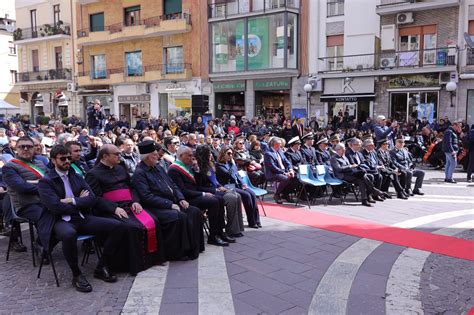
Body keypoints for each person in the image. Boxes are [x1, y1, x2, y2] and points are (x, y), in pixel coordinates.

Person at [38, 145, 126, 292]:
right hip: (59, 220)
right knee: (68, 234)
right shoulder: (46, 182)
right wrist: (79, 201)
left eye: (68, 158)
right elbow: (55, 207)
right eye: (62, 158)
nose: (67, 161)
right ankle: (76, 274)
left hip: (81, 217)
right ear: (53, 160)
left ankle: (102, 266)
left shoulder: (76, 176)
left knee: (118, 226)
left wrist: (71, 201)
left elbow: (91, 198)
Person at [86, 144, 165, 275]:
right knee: (131, 228)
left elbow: (132, 187)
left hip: (129, 204)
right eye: (116, 154)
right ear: (105, 156)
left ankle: (151, 260)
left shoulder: (121, 168)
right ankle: (134, 264)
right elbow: (95, 198)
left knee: (153, 221)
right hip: (110, 210)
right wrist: (113, 208)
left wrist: (135, 201)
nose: (119, 156)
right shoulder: (93, 174)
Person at [132, 141, 203, 260]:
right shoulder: (139, 173)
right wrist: (169, 204)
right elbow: (147, 197)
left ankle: (195, 247)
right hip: (156, 207)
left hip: (172, 202)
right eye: (155, 154)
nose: (158, 156)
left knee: (194, 211)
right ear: (148, 157)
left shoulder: (158, 167)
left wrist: (180, 198)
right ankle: (178, 253)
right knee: (178, 216)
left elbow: (173, 185)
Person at [168, 146, 232, 246]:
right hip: (187, 199)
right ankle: (213, 236)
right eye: (189, 156)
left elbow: (196, 184)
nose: (191, 157)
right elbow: (183, 191)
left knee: (220, 199)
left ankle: (220, 232)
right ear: (181, 156)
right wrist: (203, 194)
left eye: (191, 155)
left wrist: (197, 171)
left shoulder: (187, 166)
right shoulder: (174, 169)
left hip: (195, 195)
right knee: (214, 201)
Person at [2, 136, 56, 254]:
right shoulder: (9, 167)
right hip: (26, 205)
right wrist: (43, 185)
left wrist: (37, 184)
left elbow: (52, 181)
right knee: (48, 214)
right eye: (22, 147)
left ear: (34, 148)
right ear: (16, 149)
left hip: (45, 201)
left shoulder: (40, 163)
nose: (26, 149)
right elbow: (22, 187)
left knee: (65, 212)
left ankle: (41, 243)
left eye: (29, 146)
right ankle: (44, 247)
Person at [195, 145, 245, 238]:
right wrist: (215, 189)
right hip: (210, 192)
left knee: (237, 195)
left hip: (217, 189)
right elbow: (199, 186)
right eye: (208, 153)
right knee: (232, 198)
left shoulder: (210, 165)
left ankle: (237, 228)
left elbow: (215, 181)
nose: (210, 155)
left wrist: (220, 186)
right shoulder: (198, 168)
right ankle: (231, 229)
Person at [215, 145, 262, 230]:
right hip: (227, 186)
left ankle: (257, 220)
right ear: (223, 154)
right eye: (228, 153)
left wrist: (243, 183)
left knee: (252, 194)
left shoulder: (231, 164)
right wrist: (233, 164)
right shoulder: (219, 165)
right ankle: (252, 221)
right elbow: (229, 174)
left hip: (237, 185)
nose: (231, 155)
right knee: (246, 195)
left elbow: (238, 175)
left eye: (232, 154)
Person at [330, 143, 378, 207]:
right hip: (342, 175)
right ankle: (370, 194)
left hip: (350, 173)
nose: (344, 151)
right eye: (343, 150)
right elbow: (339, 169)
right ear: (338, 150)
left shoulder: (344, 157)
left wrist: (353, 167)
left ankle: (367, 196)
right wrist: (350, 166)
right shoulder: (334, 158)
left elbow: (349, 165)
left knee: (366, 176)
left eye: (344, 149)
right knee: (361, 179)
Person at [264, 137, 299, 204]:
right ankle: (277, 194)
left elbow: (287, 162)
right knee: (285, 178)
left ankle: (285, 194)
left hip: (283, 171)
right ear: (275, 144)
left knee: (296, 178)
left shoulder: (280, 151)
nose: (281, 146)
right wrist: (284, 173)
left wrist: (290, 169)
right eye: (280, 144)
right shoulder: (268, 153)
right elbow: (273, 167)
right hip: (273, 173)